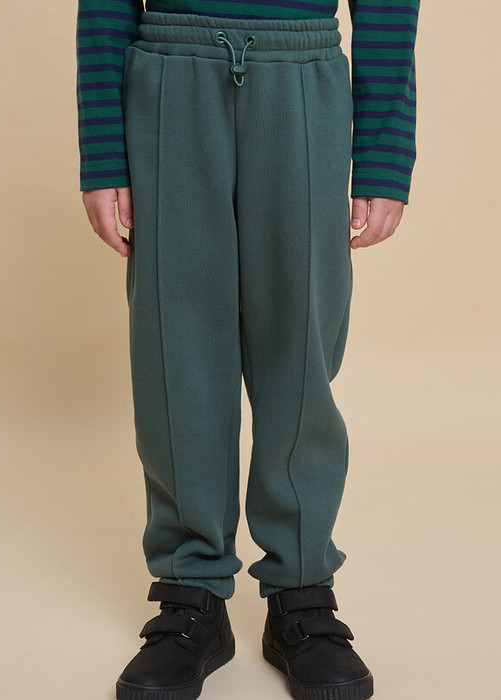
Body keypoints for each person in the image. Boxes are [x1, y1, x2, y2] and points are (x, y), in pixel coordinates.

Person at [76, 2, 419, 699]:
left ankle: (300, 591)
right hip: (169, 74)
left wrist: (384, 153)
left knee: (300, 353)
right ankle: (191, 594)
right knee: (175, 352)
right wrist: (104, 150)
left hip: (303, 74)